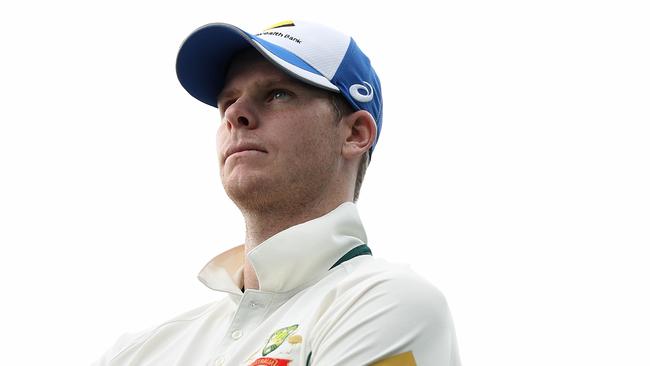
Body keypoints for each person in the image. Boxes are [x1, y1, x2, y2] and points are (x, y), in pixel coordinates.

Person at [94, 20, 461, 366]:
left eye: (277, 94)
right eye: (227, 101)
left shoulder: (390, 303)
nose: (235, 114)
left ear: (355, 134)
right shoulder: (137, 352)